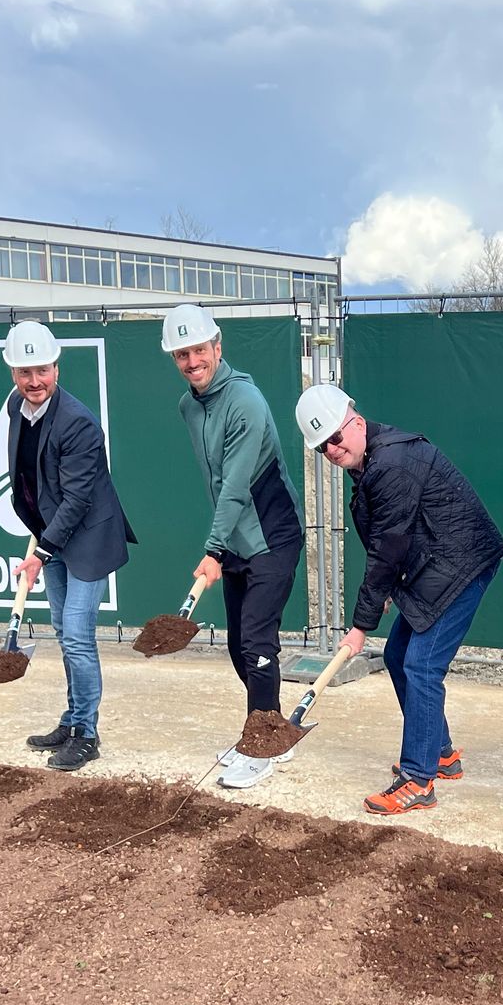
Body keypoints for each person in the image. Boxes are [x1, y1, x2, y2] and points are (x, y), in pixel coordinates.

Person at [296, 384, 503, 815]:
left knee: (422, 664)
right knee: (398, 655)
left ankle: (417, 779)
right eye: (322, 447)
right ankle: (441, 752)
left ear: (354, 420)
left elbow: (388, 545)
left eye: (335, 437)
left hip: (461, 562)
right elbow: (393, 536)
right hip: (437, 561)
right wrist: (391, 588)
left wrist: (359, 627)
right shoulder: (372, 457)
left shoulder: (391, 461)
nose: (332, 451)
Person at [162, 302, 305, 790]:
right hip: (236, 541)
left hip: (273, 536)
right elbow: (216, 480)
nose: (191, 361)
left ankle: (261, 746)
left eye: (198, 349)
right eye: (181, 354)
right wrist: (224, 547)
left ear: (217, 347)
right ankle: (270, 727)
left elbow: (237, 484)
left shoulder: (245, 401)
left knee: (257, 641)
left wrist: (214, 547)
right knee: (237, 648)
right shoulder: (188, 406)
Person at [1, 320, 134, 771]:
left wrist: (41, 552)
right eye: (25, 372)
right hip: (51, 531)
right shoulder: (15, 407)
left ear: (56, 367)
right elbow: (29, 477)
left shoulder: (78, 423)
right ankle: (73, 718)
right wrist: (37, 531)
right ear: (13, 374)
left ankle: (87, 735)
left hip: (88, 536)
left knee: (77, 635)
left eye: (42, 370)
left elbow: (78, 498)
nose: (34, 381)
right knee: (62, 629)